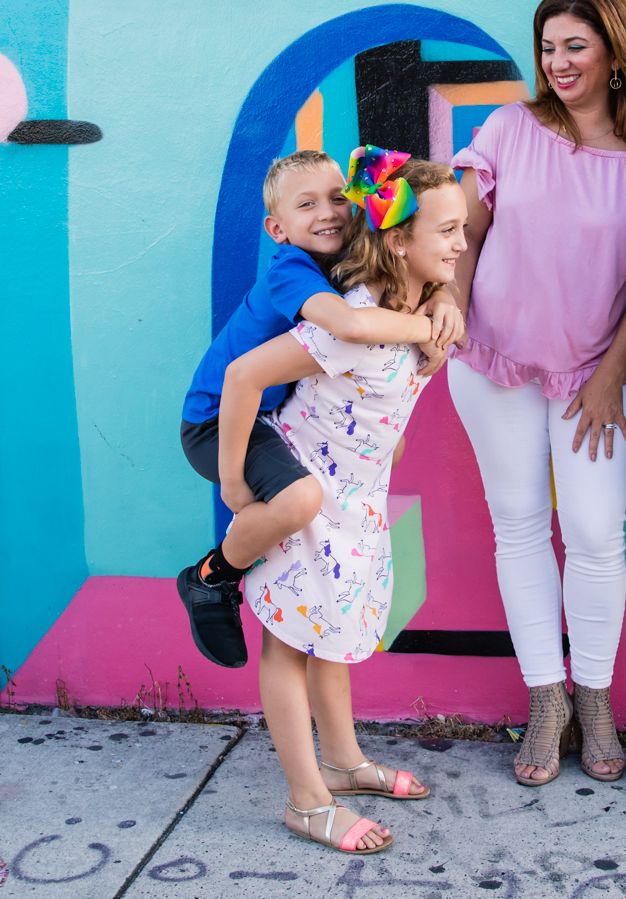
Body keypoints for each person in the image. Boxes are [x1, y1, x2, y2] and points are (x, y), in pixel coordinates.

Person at [446, 0, 626, 786]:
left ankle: (597, 695)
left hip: (599, 374)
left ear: (614, 50)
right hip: (494, 361)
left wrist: (612, 375)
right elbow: (462, 230)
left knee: (594, 531)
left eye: (575, 44)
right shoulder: (508, 127)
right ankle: (549, 697)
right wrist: (452, 306)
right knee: (517, 524)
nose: (559, 61)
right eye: (548, 47)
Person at [225, 149, 468, 854]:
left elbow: (391, 409)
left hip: (356, 499)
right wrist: (238, 485)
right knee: (291, 641)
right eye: (448, 230)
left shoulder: (421, 307)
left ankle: (343, 760)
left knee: (331, 633)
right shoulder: (350, 321)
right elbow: (247, 375)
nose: (460, 243)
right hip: (304, 491)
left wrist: (443, 304)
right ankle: (307, 799)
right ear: (399, 240)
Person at [175, 148, 464, 670]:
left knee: (384, 456)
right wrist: (431, 328)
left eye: (337, 198)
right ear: (277, 229)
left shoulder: (352, 257)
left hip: (266, 413)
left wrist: (445, 299)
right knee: (299, 500)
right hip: (218, 418)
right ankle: (211, 577)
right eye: (306, 204)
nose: (328, 212)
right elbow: (351, 327)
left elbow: (419, 258)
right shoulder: (293, 268)